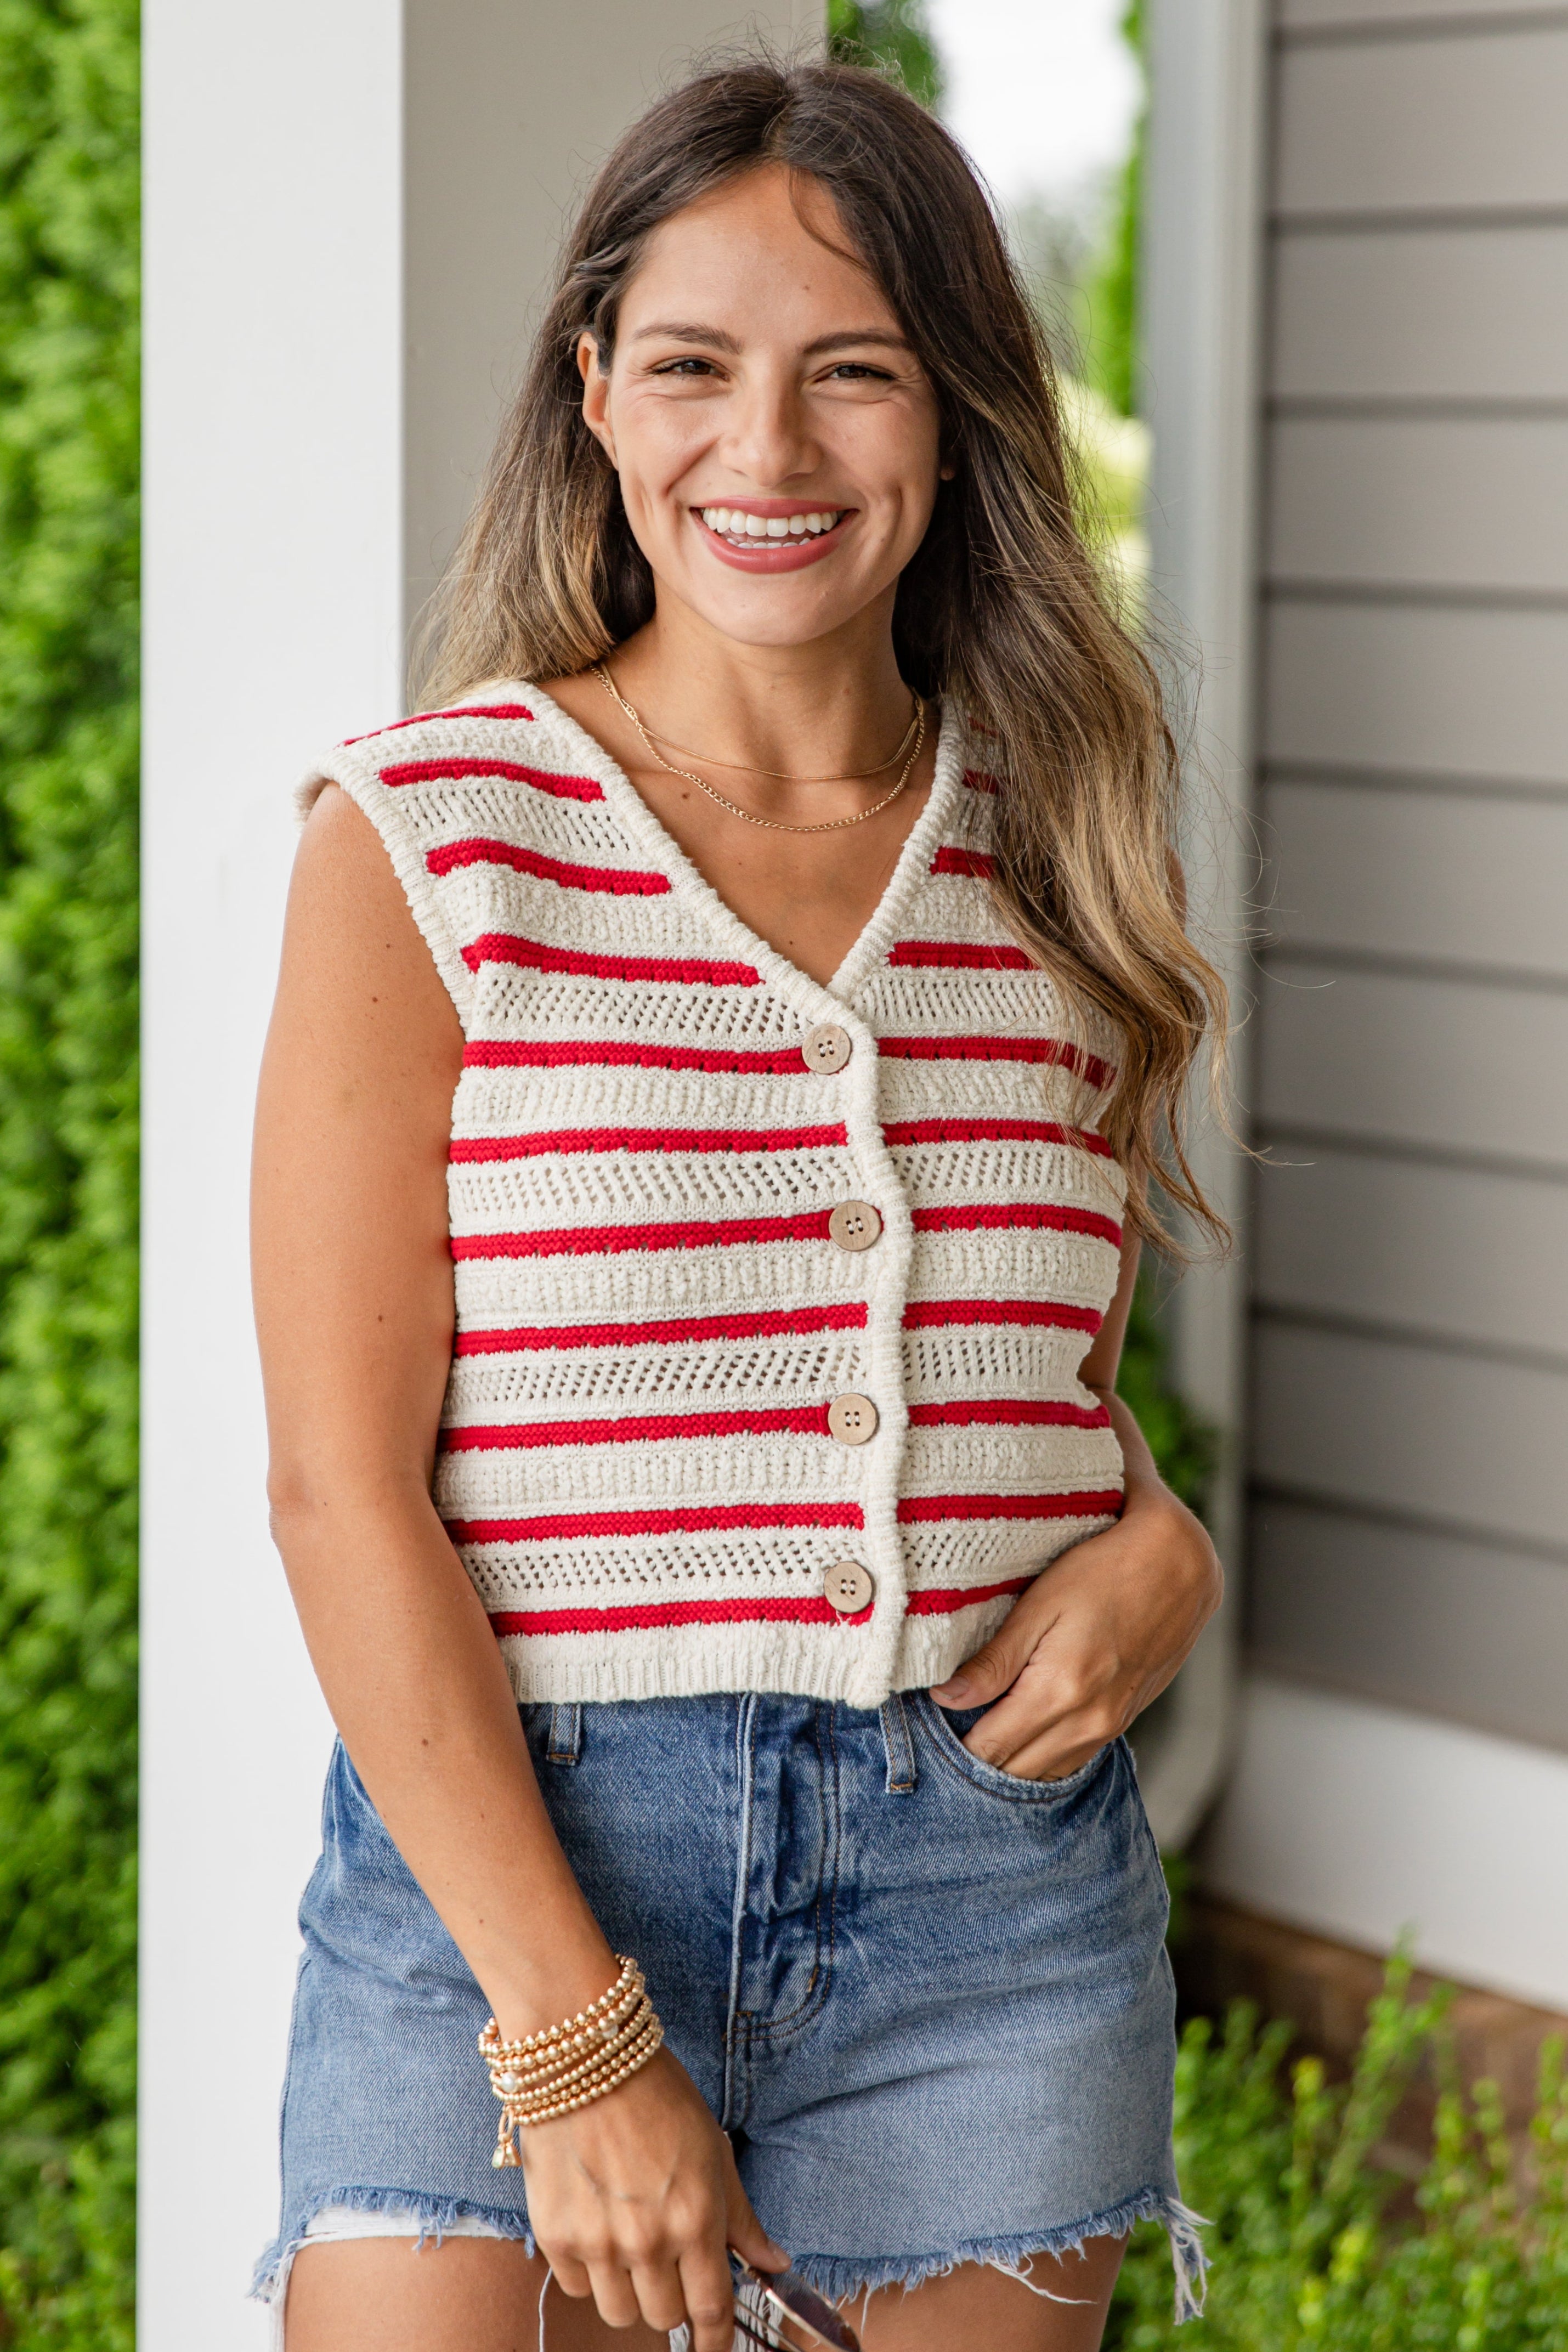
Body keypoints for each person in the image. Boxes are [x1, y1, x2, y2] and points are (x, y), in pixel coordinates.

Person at [250, 53, 1226, 2352]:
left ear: (958, 413)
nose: (765, 453)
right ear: (593, 394)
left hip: (979, 1906)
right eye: (690, 366)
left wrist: (1156, 1536)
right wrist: (575, 2041)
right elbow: (334, 1490)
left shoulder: (1060, 849)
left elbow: (1007, 1387)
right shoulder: (431, 844)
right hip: (514, 1865)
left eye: (852, 375)